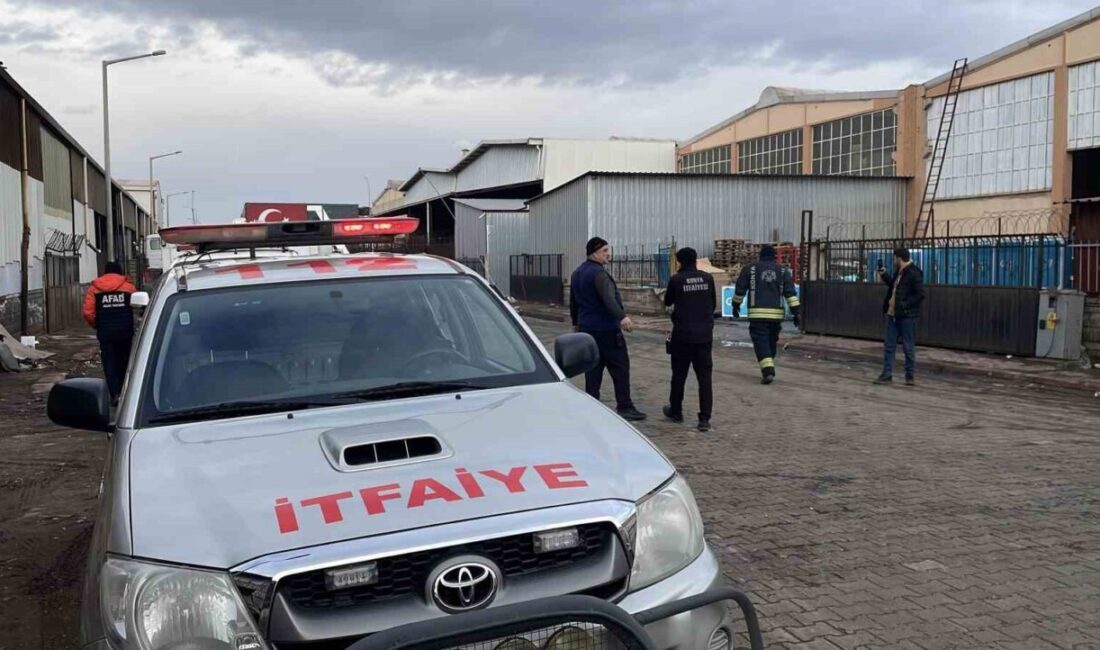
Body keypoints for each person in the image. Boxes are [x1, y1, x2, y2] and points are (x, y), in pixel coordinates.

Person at [569, 237, 646, 421]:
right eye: (604, 250)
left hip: (587, 330)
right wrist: (622, 317)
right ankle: (625, 406)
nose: (608, 254)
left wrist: (575, 324)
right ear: (595, 252)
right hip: (607, 330)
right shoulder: (599, 274)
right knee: (620, 368)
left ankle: (591, 404)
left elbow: (573, 303)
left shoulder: (577, 273)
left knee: (593, 370)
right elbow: (608, 299)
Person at [662, 247, 716, 432]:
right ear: (695, 260)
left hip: (683, 335)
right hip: (704, 336)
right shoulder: (708, 279)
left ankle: (676, 411)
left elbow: (668, 302)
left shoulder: (676, 280)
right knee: (705, 378)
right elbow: (713, 304)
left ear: (680, 262)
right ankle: (704, 419)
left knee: (679, 375)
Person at [731, 244, 801, 384]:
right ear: (774, 257)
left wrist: (735, 305)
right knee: (770, 342)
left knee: (761, 342)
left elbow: (740, 290)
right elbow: (791, 295)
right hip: (776, 317)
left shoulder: (750, 269)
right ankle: (769, 364)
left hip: (757, 315)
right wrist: (796, 313)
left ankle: (768, 370)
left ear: (760, 255)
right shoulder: (782, 271)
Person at [83, 261, 137, 405]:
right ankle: (127, 392)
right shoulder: (129, 287)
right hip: (125, 332)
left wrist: (97, 325)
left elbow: (88, 312)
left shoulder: (94, 289)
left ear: (104, 273)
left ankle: (115, 394)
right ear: (120, 272)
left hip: (106, 333)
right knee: (125, 361)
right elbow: (138, 307)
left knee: (109, 363)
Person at [875, 248, 925, 386]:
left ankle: (910, 376)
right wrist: (885, 276)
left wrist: (905, 305)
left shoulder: (914, 273)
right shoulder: (900, 272)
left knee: (908, 346)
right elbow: (894, 288)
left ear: (899, 258)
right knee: (889, 346)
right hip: (893, 314)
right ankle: (887, 374)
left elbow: (920, 294)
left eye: (894, 258)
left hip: (907, 316)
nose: (893, 261)